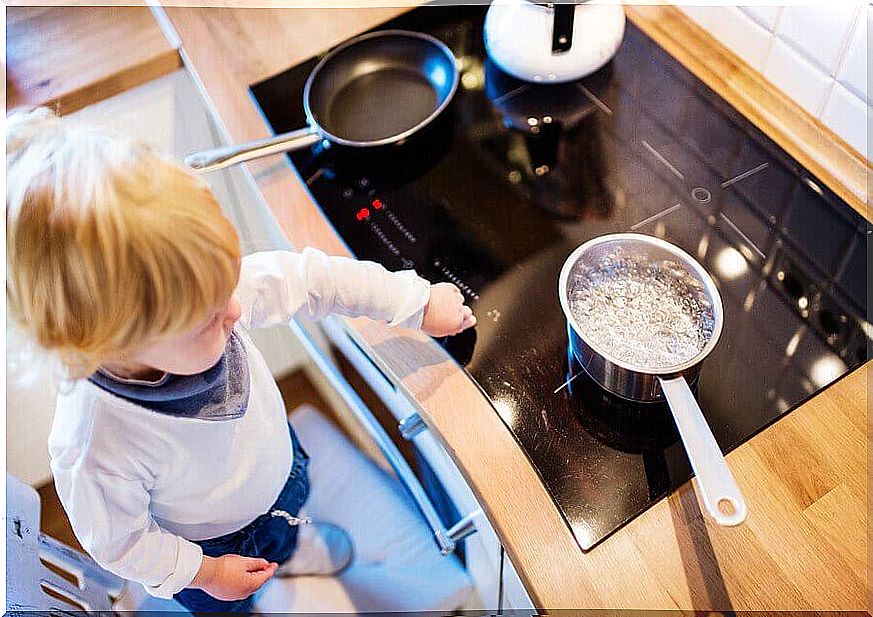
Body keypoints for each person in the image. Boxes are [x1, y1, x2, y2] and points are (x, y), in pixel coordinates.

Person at [6, 107, 476, 613]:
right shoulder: (95, 440)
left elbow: (316, 280)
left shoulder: (203, 295)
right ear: (106, 340)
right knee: (229, 603)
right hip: (205, 549)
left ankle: (291, 551)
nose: (235, 308)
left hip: (277, 469)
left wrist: (416, 302)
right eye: (208, 318)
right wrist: (206, 573)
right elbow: (121, 543)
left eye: (229, 283)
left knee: (287, 525)